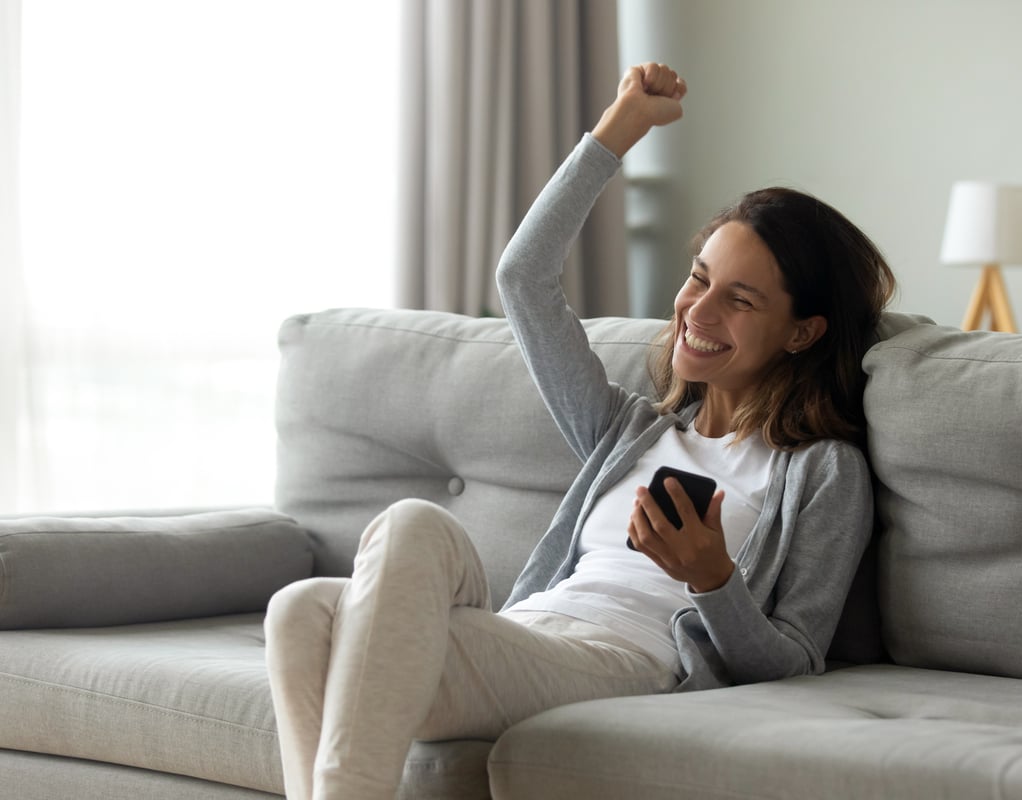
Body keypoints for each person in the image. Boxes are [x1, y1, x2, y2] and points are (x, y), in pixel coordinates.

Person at [264, 62, 896, 800]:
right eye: (698, 278)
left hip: (620, 661)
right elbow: (523, 279)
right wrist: (621, 125)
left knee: (348, 585)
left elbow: (792, 659)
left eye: (741, 300)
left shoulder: (823, 471)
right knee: (303, 606)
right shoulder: (627, 429)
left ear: (802, 332)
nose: (698, 311)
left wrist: (711, 577)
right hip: (526, 631)